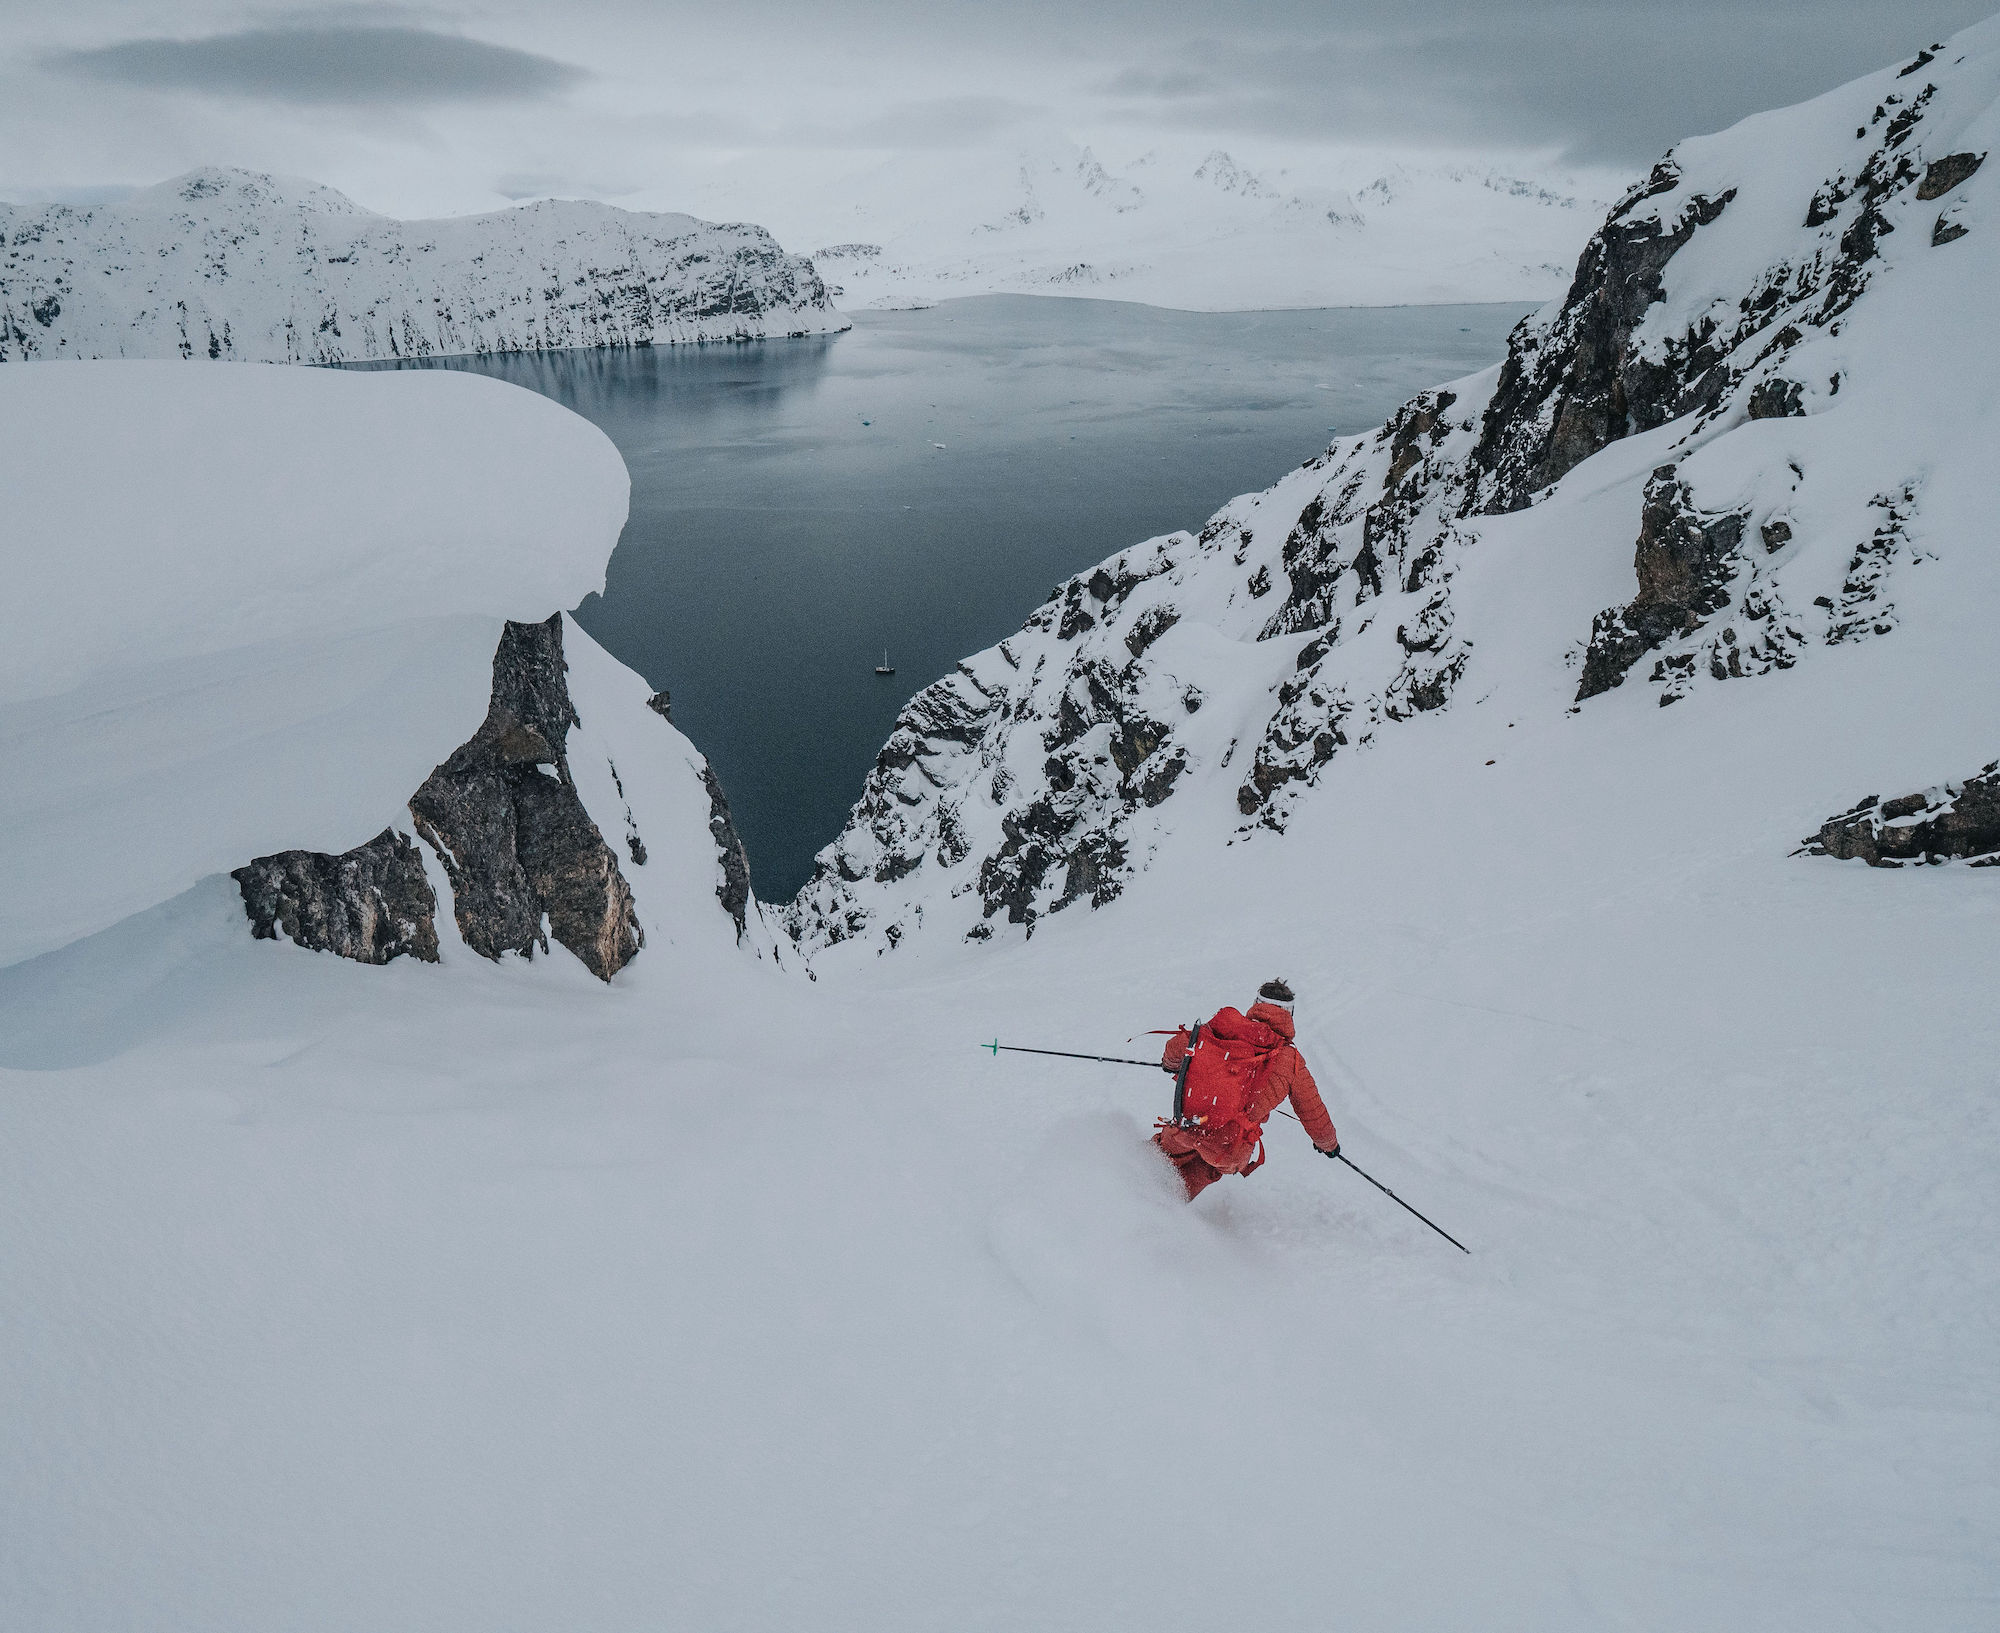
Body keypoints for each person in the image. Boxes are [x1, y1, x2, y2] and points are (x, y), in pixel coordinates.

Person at [1153, 977, 1339, 1201]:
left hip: (1190, 1124)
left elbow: (1178, 1046)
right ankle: (1166, 1209)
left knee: (1157, 1157)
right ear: (1290, 1014)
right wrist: (1328, 1145)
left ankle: (1127, 1187)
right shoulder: (1290, 1060)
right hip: (1229, 1146)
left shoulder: (1223, 1027)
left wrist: (1170, 1065)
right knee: (1203, 1171)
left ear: (1257, 1004)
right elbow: (1312, 1110)